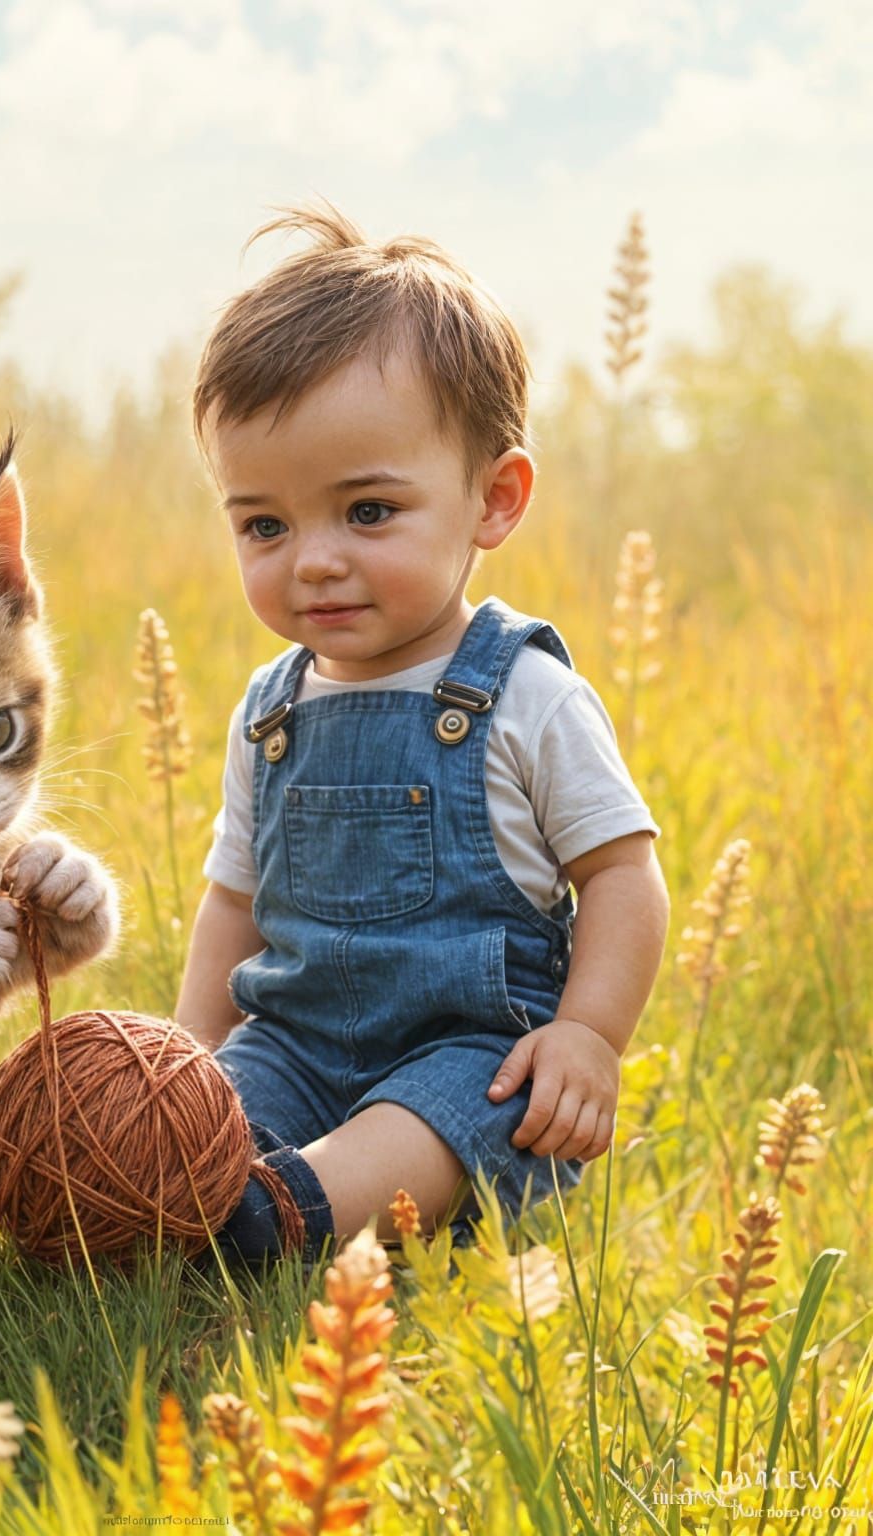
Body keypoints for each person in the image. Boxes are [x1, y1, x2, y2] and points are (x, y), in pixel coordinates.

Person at [174, 202, 671, 1267]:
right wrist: (188, 1067)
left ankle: (286, 1217)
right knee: (204, 1128)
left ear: (494, 500)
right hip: (296, 1045)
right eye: (264, 524)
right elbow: (232, 901)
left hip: (472, 1058)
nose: (311, 560)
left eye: (366, 513)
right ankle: (211, 1187)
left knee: (436, 1122)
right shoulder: (271, 708)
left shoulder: (524, 694)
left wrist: (586, 1033)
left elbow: (624, 874)